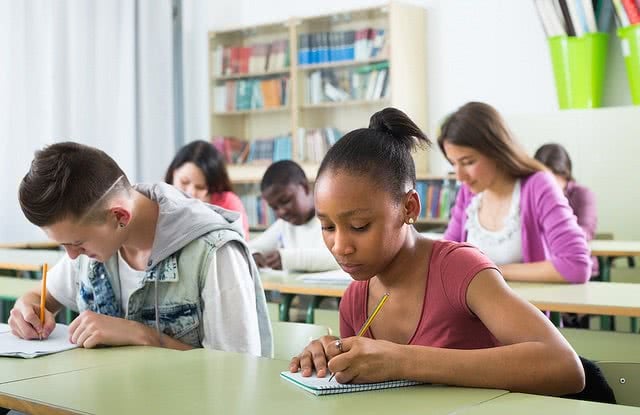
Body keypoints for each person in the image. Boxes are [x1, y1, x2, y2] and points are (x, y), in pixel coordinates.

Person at [289, 107, 585, 396]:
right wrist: (332, 359)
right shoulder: (355, 300)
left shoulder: (459, 271)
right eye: (327, 227)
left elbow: (566, 368)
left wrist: (402, 360)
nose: (340, 246)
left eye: (360, 225)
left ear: (409, 208)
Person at [9, 142, 272, 357]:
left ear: (120, 216)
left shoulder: (214, 252)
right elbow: (42, 297)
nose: (71, 256)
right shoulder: (95, 241)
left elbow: (238, 371)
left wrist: (141, 335)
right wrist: (29, 307)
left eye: (77, 243)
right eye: (63, 245)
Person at [438, 102, 591, 283]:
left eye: (468, 162)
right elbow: (446, 260)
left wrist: (491, 271)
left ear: (496, 151)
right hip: (471, 309)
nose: (460, 176)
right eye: (453, 164)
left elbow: (575, 266)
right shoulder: (469, 193)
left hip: (522, 307)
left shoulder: (537, 186)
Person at [535, 143, 598, 328]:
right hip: (544, 267)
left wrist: (556, 230)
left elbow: (586, 231)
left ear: (565, 174)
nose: (547, 184)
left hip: (576, 269)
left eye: (553, 177)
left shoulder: (582, 194)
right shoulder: (533, 193)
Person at [249, 160, 338, 272]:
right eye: (274, 208)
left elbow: (339, 258)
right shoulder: (284, 224)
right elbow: (249, 247)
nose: (281, 212)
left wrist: (288, 259)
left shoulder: (334, 216)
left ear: (305, 187)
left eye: (286, 201)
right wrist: (254, 254)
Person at [165, 140, 249, 239]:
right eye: (184, 182)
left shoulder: (228, 204)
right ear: (173, 174)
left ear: (214, 186)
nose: (190, 192)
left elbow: (240, 246)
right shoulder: (159, 203)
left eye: (201, 187)